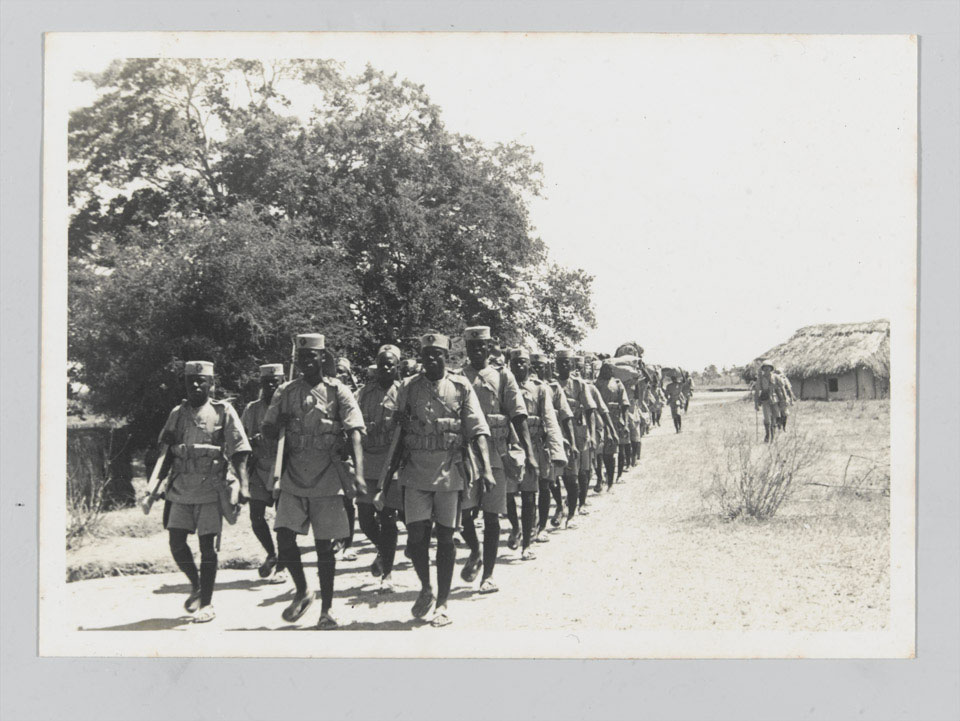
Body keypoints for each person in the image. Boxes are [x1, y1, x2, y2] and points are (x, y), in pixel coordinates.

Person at [375, 331, 493, 627]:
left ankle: (442, 603)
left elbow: (477, 429)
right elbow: (394, 430)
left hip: (449, 470)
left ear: (446, 357)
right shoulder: (408, 387)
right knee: (415, 537)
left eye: (436, 355)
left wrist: (486, 469)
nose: (430, 360)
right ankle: (425, 587)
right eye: (426, 355)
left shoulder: (460, 386)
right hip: (415, 471)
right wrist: (386, 476)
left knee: (445, 538)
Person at [261, 333, 367, 630]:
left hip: (327, 476)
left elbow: (356, 431)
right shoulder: (285, 391)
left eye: (312, 357)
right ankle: (302, 590)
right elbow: (267, 431)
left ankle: (327, 609)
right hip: (293, 475)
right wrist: (275, 424)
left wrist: (358, 473)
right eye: (301, 358)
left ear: (323, 358)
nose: (306, 362)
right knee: (283, 536)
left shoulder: (339, 392)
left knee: (324, 547)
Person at [158, 360, 252, 623]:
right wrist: (155, 485)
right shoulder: (177, 413)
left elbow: (240, 450)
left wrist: (244, 485)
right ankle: (197, 585)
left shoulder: (223, 411)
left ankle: (207, 604)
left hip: (211, 487)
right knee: (176, 542)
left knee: (207, 547)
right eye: (191, 381)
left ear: (212, 384)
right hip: (181, 486)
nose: (196, 385)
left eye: (202, 381)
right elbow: (165, 453)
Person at [458, 326, 536, 593]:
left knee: (492, 517)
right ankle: (475, 550)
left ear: (490, 347)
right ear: (467, 348)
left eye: (482, 346)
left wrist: (529, 452)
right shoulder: (458, 377)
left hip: (496, 453)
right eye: (472, 347)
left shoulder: (503, 376)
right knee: (463, 516)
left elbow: (518, 415)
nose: (477, 351)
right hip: (467, 455)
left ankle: (488, 576)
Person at [507, 348, 567, 559]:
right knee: (508, 495)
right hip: (511, 446)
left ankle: (528, 541)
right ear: (510, 365)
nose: (519, 366)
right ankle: (515, 527)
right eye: (515, 363)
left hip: (535, 445)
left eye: (523, 362)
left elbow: (550, 419)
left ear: (529, 365)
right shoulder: (503, 385)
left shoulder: (539, 388)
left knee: (532, 493)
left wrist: (557, 449)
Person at [354, 344, 403, 592]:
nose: (386, 367)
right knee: (364, 518)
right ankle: (383, 551)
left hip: (392, 461)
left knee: (388, 518)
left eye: (391, 364)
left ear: (397, 367)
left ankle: (388, 573)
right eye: (382, 363)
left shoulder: (404, 392)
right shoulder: (363, 394)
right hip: (369, 461)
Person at [240, 363, 288, 585]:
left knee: (283, 521)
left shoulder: (288, 406)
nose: (271, 386)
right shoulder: (252, 409)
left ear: (282, 382)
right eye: (267, 382)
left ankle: (283, 566)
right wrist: (250, 442)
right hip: (260, 468)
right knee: (256, 517)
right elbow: (241, 438)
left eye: (275, 382)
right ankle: (271, 553)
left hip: (284, 469)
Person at [531, 353, 576, 538]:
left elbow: (566, 418)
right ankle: (552, 510)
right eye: (533, 365)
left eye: (540, 366)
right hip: (535, 441)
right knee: (544, 484)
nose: (536, 369)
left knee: (560, 481)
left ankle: (563, 516)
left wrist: (572, 443)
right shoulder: (522, 387)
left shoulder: (553, 388)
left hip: (555, 440)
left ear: (547, 367)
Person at [555, 349, 597, 528]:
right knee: (559, 475)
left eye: (567, 362)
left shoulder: (579, 385)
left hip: (580, 432)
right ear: (556, 365)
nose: (564, 365)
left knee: (581, 472)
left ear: (572, 364)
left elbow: (590, 411)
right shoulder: (551, 385)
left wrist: (593, 435)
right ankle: (561, 506)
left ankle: (577, 506)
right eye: (561, 362)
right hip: (559, 432)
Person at [594, 360, 631, 486]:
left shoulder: (618, 383)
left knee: (617, 450)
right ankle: (600, 478)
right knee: (599, 451)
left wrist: (625, 423)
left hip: (616, 420)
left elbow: (625, 405)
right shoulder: (596, 384)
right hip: (600, 420)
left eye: (610, 369)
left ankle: (616, 477)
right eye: (606, 369)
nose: (608, 371)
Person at [753, 360, 784, 442]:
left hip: (774, 399)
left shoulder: (776, 377)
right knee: (767, 419)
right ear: (763, 369)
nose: (767, 370)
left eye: (768, 368)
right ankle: (767, 435)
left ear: (771, 369)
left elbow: (781, 388)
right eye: (765, 368)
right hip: (765, 399)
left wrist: (784, 399)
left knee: (776, 417)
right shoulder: (760, 379)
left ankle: (773, 437)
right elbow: (756, 392)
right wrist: (756, 404)